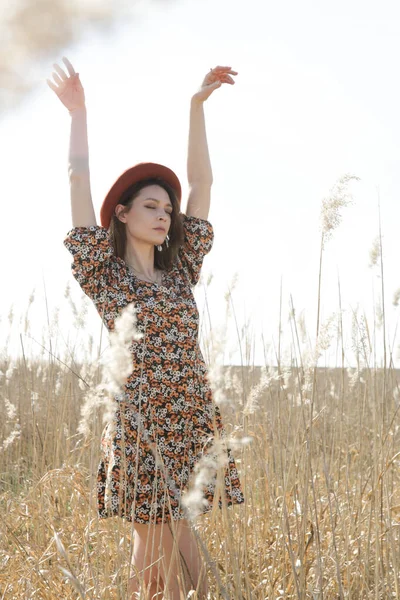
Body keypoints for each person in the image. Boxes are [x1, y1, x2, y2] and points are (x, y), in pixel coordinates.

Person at [47, 56, 245, 599]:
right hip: (139, 418)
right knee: (156, 554)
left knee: (181, 546)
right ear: (122, 214)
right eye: (151, 206)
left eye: (168, 209)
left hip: (189, 414)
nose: (164, 215)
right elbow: (77, 178)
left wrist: (195, 106)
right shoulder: (105, 277)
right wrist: (78, 114)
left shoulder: (180, 270)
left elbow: (203, 179)